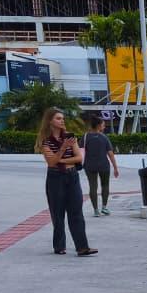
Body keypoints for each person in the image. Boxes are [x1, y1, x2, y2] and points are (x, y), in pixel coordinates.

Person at [35, 108, 96, 257]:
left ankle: (82, 247)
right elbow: (51, 162)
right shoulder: (46, 141)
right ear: (50, 121)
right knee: (58, 213)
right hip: (55, 178)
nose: (62, 120)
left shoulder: (70, 137)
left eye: (62, 118)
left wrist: (60, 160)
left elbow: (79, 158)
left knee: (76, 212)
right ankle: (59, 246)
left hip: (72, 176)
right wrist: (62, 149)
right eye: (58, 118)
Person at [81, 114, 119, 216]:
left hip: (89, 165)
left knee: (93, 186)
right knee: (105, 185)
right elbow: (110, 154)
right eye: (103, 125)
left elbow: (80, 150)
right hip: (104, 165)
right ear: (98, 126)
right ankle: (104, 207)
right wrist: (115, 167)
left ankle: (96, 210)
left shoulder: (85, 137)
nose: (104, 127)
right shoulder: (104, 137)